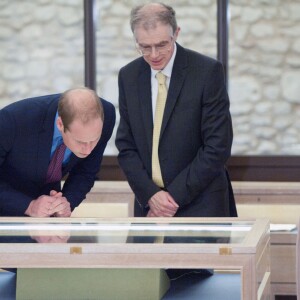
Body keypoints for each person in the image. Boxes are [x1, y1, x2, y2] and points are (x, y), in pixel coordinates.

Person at [116, 2, 237, 219]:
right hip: (149, 207)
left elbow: (217, 146)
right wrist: (151, 195)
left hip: (202, 205)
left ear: (176, 33)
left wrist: (171, 197)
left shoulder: (207, 72)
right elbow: (126, 146)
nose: (153, 55)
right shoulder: (128, 76)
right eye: (144, 46)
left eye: (162, 44)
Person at [0, 87, 115, 217]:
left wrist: (66, 203)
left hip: (49, 220)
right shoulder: (12, 120)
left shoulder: (107, 114)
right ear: (60, 124)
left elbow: (86, 172)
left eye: (94, 140)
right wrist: (29, 205)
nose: (88, 149)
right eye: (80, 142)